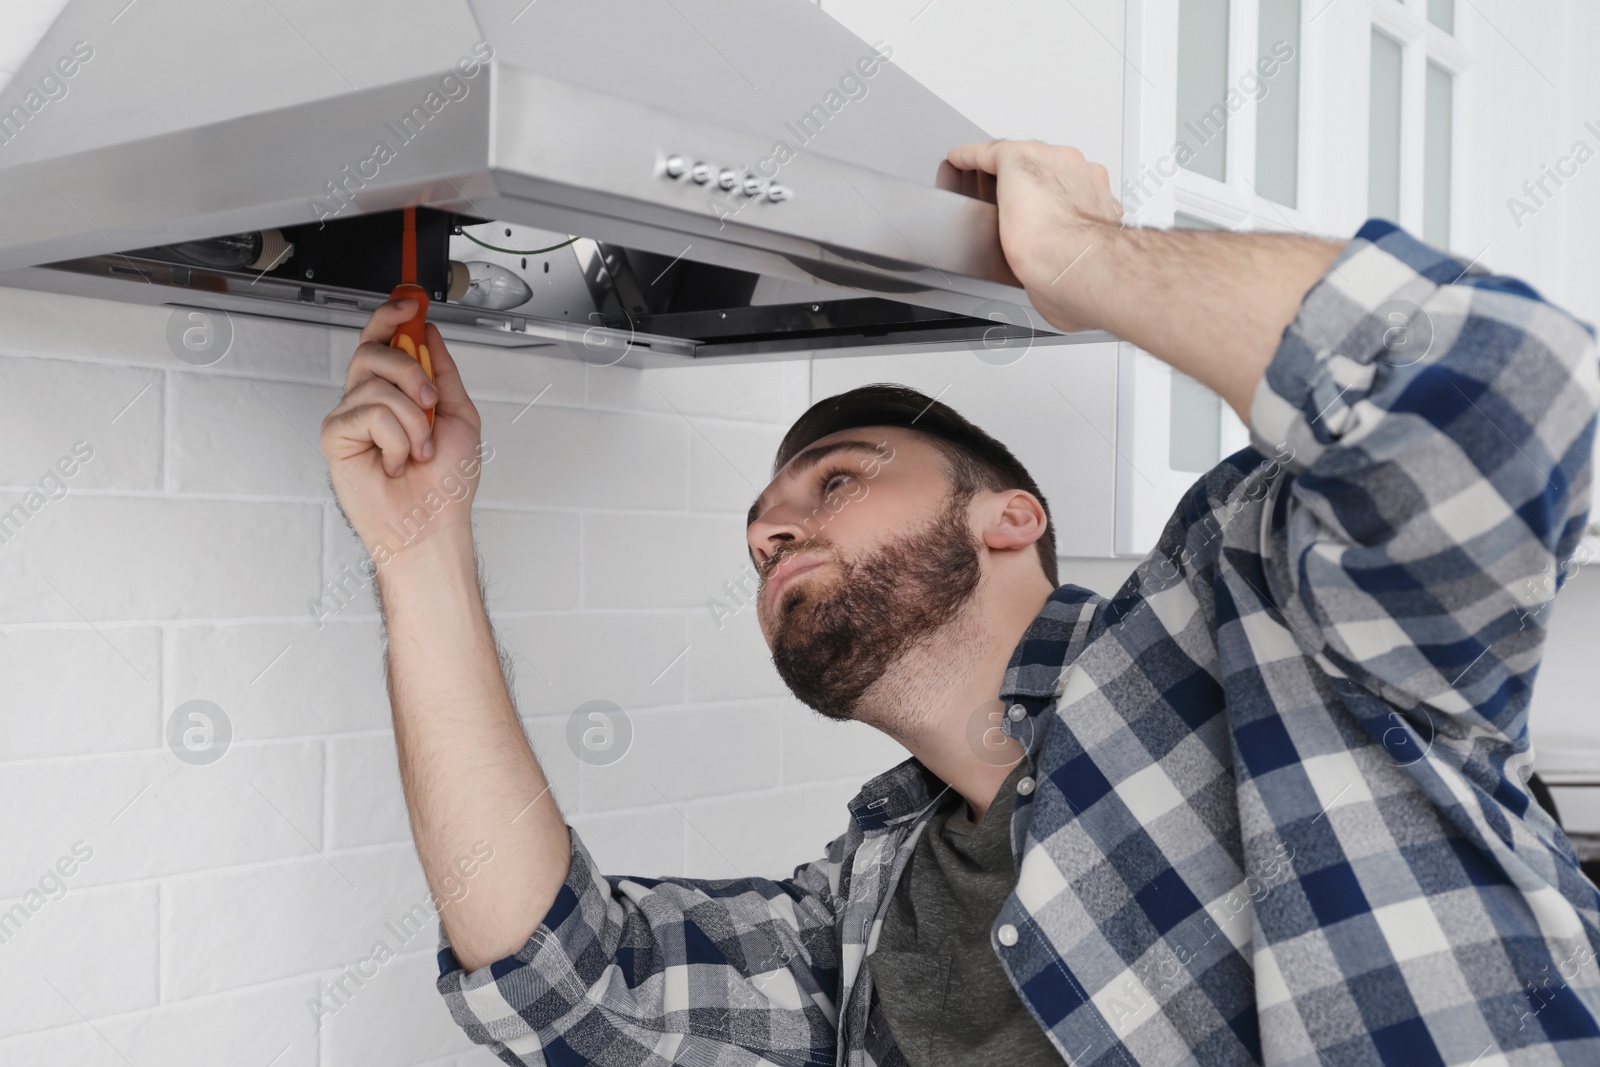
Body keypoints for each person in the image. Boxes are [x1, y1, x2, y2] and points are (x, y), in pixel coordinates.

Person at [318, 140, 1600, 1065]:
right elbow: (566, 988)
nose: (770, 529)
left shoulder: (1254, 620)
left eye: (837, 478)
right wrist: (421, 546)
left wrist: (1085, 258)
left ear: (1010, 518)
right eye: (762, 529)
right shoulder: (867, 908)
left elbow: (1500, 387)